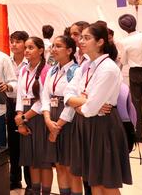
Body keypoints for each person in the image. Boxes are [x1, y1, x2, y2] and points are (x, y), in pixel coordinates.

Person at [65, 22, 132, 193]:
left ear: (100, 42)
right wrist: (84, 101)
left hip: (103, 127)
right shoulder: (86, 65)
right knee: (94, 180)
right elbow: (67, 93)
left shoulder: (108, 68)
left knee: (106, 182)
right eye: (81, 38)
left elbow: (90, 110)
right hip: (86, 125)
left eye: (87, 38)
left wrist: (80, 104)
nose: (81, 41)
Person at [42, 36, 81, 195]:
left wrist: (58, 125)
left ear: (70, 50)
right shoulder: (52, 69)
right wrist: (47, 119)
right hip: (51, 118)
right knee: (59, 165)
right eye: (53, 46)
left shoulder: (76, 71)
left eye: (58, 46)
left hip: (68, 121)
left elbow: (73, 102)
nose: (53, 49)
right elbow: (45, 95)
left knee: (71, 167)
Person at [15, 37, 51, 195]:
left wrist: (24, 118)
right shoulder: (23, 69)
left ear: (41, 51)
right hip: (25, 116)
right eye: (26, 48)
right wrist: (20, 119)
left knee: (43, 161)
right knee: (31, 160)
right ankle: (34, 191)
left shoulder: (47, 70)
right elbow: (19, 96)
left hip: (40, 116)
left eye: (31, 48)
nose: (27, 50)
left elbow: (43, 100)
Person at [117, 14, 142, 144]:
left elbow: (124, 60)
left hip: (135, 73)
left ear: (122, 27)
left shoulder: (124, 42)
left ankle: (139, 136)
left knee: (136, 105)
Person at [8, 31, 31, 191]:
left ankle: (31, 181)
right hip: (10, 103)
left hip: (27, 105)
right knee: (13, 143)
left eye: (18, 42)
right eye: (12, 41)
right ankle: (14, 178)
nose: (14, 45)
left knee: (27, 142)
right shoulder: (6, 61)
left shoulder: (30, 62)